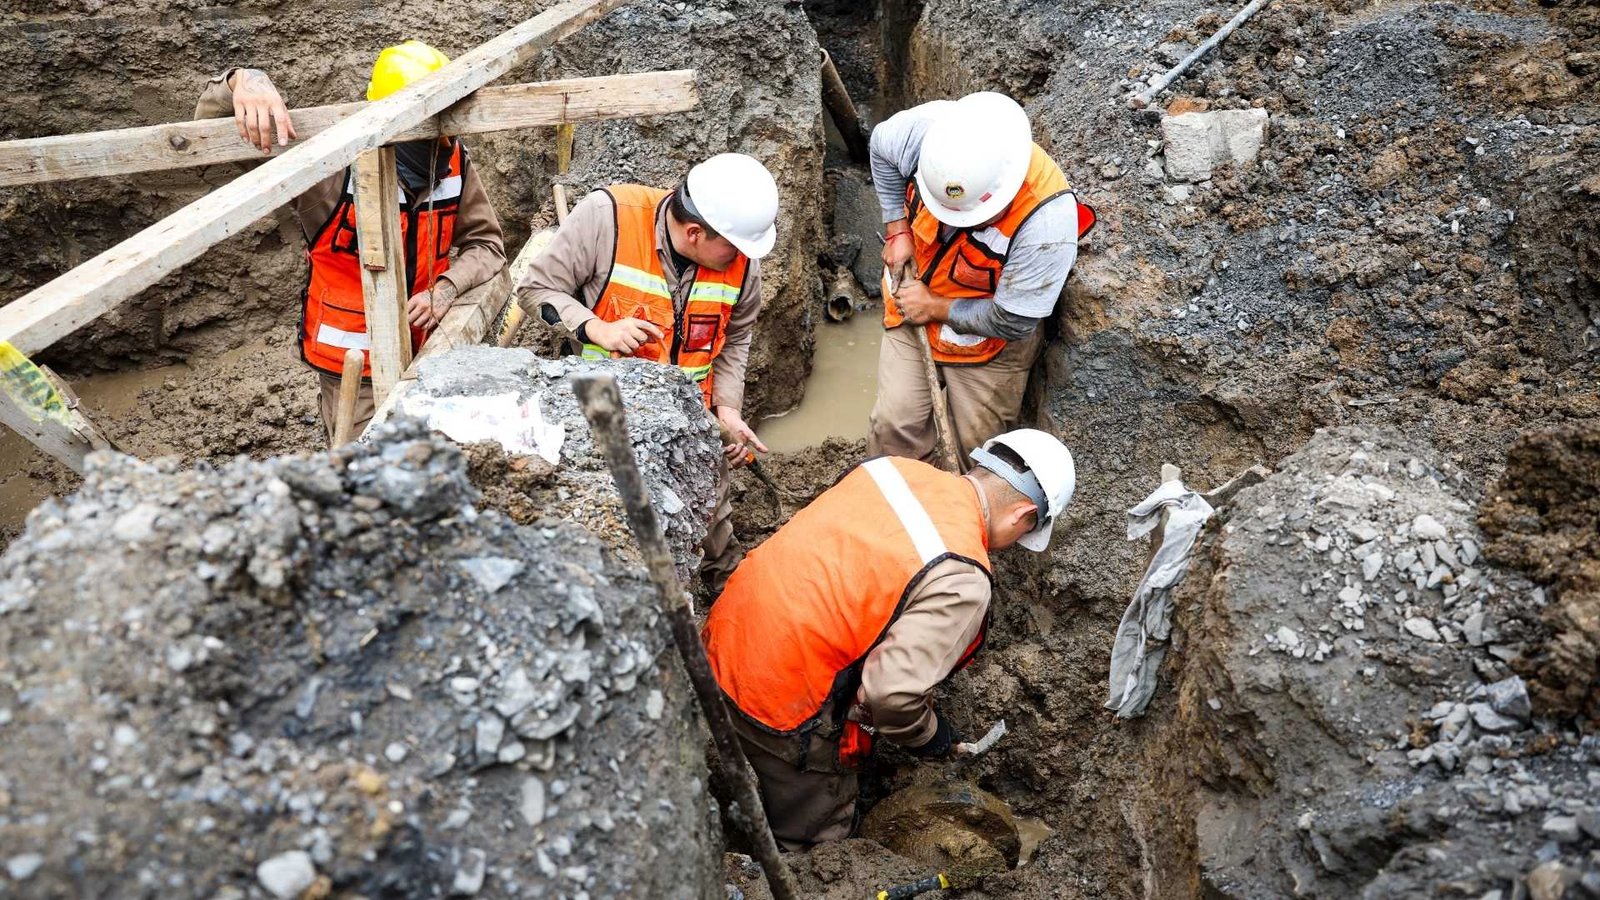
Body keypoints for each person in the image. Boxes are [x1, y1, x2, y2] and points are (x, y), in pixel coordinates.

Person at [700, 428, 1077, 847]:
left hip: (718, 643)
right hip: (779, 706)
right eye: (1025, 534)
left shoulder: (891, 470)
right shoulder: (963, 579)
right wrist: (931, 738)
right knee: (814, 845)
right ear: (1022, 516)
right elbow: (892, 697)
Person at [194, 41, 507, 443]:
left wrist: (447, 288)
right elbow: (209, 130)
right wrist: (241, 80)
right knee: (362, 475)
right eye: (433, 122)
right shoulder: (328, 168)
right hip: (353, 372)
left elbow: (486, 243)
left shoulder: (453, 162)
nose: (444, 141)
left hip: (432, 357)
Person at [517, 153, 780, 592]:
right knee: (624, 527)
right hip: (608, 416)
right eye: (732, 248)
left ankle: (728, 586)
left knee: (710, 512)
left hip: (693, 418)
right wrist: (595, 327)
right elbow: (534, 289)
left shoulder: (741, 259)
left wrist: (728, 409)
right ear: (694, 232)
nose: (741, 258)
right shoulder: (607, 219)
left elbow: (736, 338)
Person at [868, 91, 1095, 465]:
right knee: (894, 427)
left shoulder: (1047, 225)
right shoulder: (922, 136)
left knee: (978, 454)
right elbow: (880, 147)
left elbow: (1014, 319)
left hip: (990, 341)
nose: (954, 222)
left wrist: (935, 306)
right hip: (911, 298)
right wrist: (898, 230)